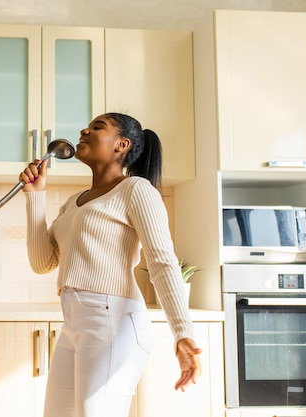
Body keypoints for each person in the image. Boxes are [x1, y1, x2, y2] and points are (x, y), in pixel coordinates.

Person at [19, 112, 202, 417]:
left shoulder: (136, 190)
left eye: (96, 127)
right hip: (74, 323)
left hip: (112, 321)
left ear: (122, 145)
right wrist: (35, 197)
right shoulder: (75, 201)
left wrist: (183, 333)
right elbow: (42, 263)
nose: (84, 130)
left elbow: (162, 262)